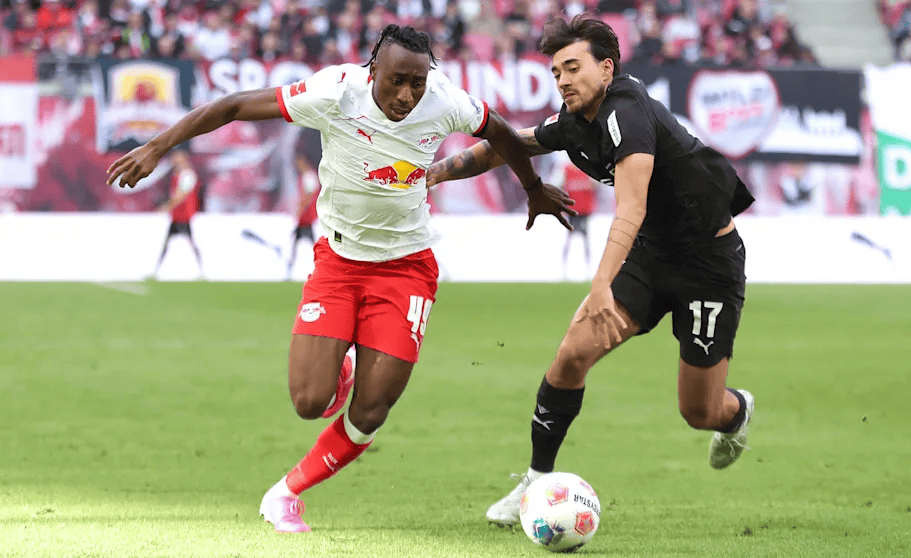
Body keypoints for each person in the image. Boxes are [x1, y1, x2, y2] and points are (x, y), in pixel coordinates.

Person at [107, 24, 576, 533]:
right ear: (373, 72)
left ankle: (286, 493)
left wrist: (533, 187)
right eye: (397, 81)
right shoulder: (335, 92)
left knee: (371, 411)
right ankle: (342, 370)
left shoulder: (444, 100)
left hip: (406, 268)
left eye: (417, 83)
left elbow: (499, 131)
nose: (407, 95)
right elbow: (235, 105)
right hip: (339, 264)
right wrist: (158, 146)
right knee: (310, 402)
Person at [427, 15, 757, 526]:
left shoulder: (628, 110)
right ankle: (534, 483)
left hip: (708, 266)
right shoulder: (573, 122)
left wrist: (601, 284)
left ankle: (737, 412)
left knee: (700, 412)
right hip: (650, 257)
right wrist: (429, 175)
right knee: (570, 357)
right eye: (556, 72)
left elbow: (631, 207)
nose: (562, 80)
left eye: (573, 67)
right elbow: (505, 145)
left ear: (606, 68)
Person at [152, 148, 204, 279]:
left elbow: (181, 195)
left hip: (186, 215)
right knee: (167, 244)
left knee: (193, 243)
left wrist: (167, 206)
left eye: (178, 157)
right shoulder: (175, 174)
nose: (175, 159)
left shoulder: (188, 175)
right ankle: (156, 271)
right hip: (177, 215)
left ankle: (202, 271)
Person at [557, 157, 597, 279]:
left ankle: (588, 268)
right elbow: (557, 185)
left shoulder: (587, 169)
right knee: (569, 240)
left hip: (584, 210)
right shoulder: (566, 170)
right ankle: (564, 268)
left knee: (585, 239)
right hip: (572, 211)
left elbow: (595, 184)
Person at [285, 153, 320, 281]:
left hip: (307, 217)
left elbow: (308, 197)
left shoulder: (309, 176)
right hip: (305, 218)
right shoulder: (306, 176)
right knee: (297, 245)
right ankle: (290, 270)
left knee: (310, 246)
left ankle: (319, 269)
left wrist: (300, 210)